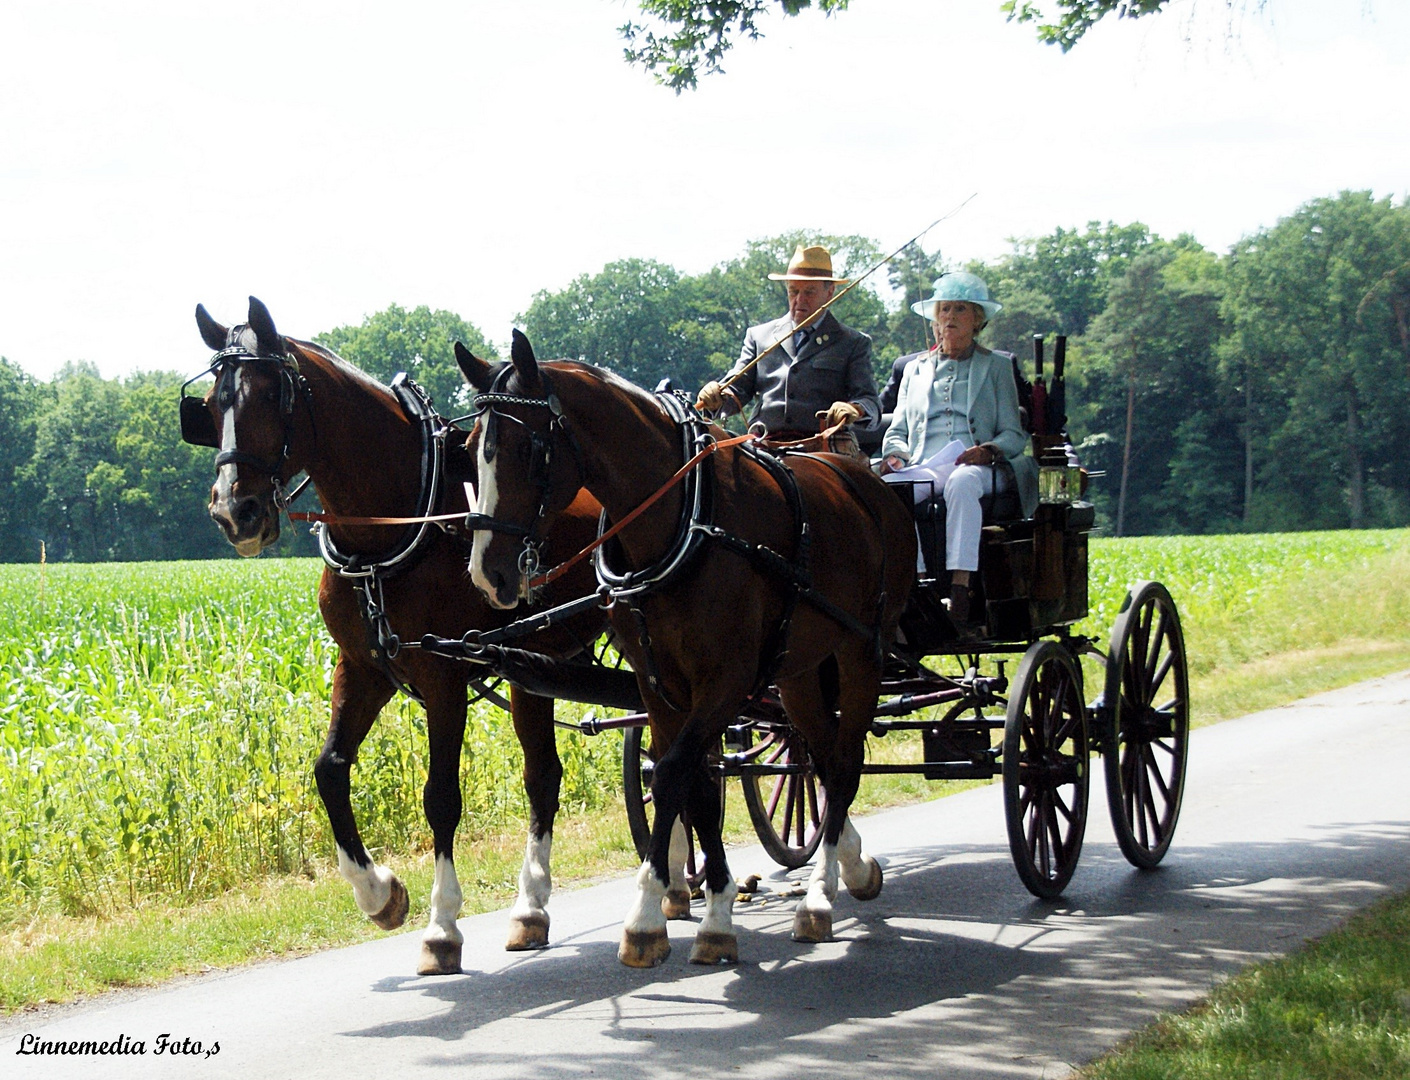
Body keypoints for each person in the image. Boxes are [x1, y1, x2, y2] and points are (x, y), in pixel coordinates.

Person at [880, 272, 1038, 624]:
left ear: (977, 319)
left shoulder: (996, 367)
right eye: (945, 309)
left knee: (962, 481)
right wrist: (895, 455)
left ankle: (960, 589)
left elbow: (1014, 434)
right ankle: (918, 585)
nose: (950, 317)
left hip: (982, 468)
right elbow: (897, 430)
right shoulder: (914, 370)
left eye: (960, 310)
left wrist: (989, 451)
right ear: (935, 317)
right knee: (890, 489)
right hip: (925, 465)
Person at [695, 244, 880, 441]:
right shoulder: (758, 336)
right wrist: (715, 397)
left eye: (809, 292)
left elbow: (871, 402)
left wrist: (854, 408)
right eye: (793, 291)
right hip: (764, 445)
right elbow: (736, 389)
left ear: (829, 292)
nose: (799, 300)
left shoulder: (853, 343)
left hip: (824, 448)